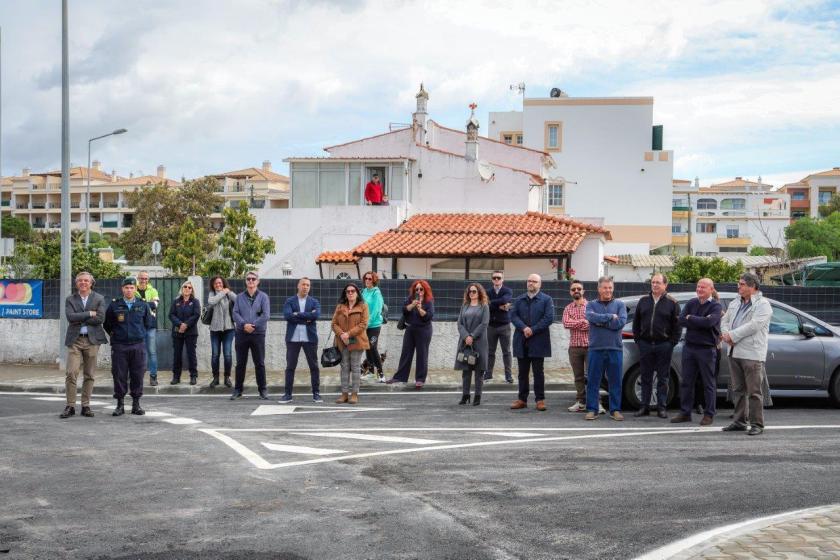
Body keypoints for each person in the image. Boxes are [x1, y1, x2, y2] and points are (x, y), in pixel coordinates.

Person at [721, 273, 773, 436]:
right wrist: (726, 334)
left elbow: (754, 325)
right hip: (734, 350)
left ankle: (757, 424)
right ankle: (739, 421)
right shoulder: (735, 302)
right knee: (738, 390)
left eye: (742, 284)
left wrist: (732, 336)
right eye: (739, 283)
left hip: (752, 353)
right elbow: (724, 321)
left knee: (754, 391)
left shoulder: (763, 305)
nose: (739, 286)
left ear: (752, 287)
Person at [671, 278, 723, 425]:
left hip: (706, 350)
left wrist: (691, 318)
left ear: (711, 289)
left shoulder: (716, 306)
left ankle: (709, 414)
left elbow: (709, 323)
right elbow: (681, 320)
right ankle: (685, 413)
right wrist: (697, 320)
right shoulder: (691, 303)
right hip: (689, 348)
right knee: (687, 382)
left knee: (708, 383)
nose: (699, 289)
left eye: (703, 287)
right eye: (698, 287)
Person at [104, 277, 156, 416]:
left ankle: (136, 404)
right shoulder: (114, 305)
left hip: (137, 345)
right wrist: (116, 336)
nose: (129, 290)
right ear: (122, 289)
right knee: (119, 375)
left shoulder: (143, 305)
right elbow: (107, 324)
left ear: (135, 289)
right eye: (126, 287)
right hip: (120, 346)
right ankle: (120, 405)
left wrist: (138, 334)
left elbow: (148, 323)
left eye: (132, 288)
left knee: (137, 375)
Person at [632, 273, 680, 418]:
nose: (655, 285)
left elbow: (677, 326)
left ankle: (661, 408)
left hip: (663, 345)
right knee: (645, 377)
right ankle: (644, 407)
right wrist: (638, 340)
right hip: (645, 344)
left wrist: (671, 343)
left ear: (665, 285)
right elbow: (636, 323)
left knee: (663, 378)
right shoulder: (643, 301)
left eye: (658, 282)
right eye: (653, 282)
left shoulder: (672, 303)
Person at [61, 271, 108, 419]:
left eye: (86, 281)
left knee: (89, 374)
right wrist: (89, 313)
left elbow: (100, 319)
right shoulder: (70, 299)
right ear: (76, 284)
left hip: (92, 340)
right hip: (75, 340)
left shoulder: (99, 298)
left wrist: (80, 318)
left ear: (91, 283)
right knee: (71, 372)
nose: (83, 283)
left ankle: (85, 405)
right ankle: (70, 405)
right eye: (80, 281)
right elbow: (70, 317)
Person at [584, 276, 628, 421]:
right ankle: (592, 409)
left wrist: (601, 321)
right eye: (605, 287)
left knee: (615, 381)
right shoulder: (590, 305)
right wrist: (610, 317)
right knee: (593, 381)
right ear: (599, 289)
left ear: (613, 288)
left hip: (615, 348)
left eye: (610, 287)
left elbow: (620, 323)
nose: (608, 290)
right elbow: (591, 318)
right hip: (595, 348)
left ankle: (615, 410)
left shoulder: (620, 305)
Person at [510, 274, 555, 411]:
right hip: (521, 340)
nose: (531, 283)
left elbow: (549, 318)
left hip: (538, 341)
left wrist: (532, 330)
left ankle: (540, 400)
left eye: (534, 281)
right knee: (522, 373)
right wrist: (524, 328)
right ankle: (522, 399)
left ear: (539, 284)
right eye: (529, 280)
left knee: (538, 372)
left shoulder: (547, 300)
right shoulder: (519, 299)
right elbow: (513, 316)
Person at [387, 280, 435, 389]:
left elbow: (428, 316)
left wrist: (419, 308)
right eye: (416, 289)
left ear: (425, 290)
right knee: (406, 353)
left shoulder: (428, 301)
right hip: (410, 329)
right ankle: (400, 377)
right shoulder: (410, 299)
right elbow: (404, 310)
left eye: (421, 289)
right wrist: (412, 305)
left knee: (422, 354)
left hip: (424, 330)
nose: (418, 291)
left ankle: (420, 379)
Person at [230, 271, 271, 400]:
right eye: (248, 279)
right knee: (240, 363)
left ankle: (262, 390)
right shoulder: (239, 297)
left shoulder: (263, 297)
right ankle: (238, 390)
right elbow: (235, 313)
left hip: (258, 334)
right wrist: (244, 325)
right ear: (246, 281)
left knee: (259, 363)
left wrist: (252, 326)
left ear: (258, 281)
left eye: (253, 279)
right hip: (241, 333)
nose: (251, 281)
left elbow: (266, 315)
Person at [281, 277, 321, 403]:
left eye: (308, 285)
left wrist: (297, 314)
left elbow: (315, 315)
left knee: (314, 366)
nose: (305, 287)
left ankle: (316, 393)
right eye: (303, 284)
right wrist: (306, 318)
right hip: (293, 339)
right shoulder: (290, 301)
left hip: (310, 338)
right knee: (290, 367)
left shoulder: (314, 302)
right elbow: (287, 316)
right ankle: (288, 394)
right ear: (298, 286)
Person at [562, 280, 601, 413]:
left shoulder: (591, 306)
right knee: (578, 376)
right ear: (570, 292)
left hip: (590, 346)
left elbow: (593, 323)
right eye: (573, 289)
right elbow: (566, 323)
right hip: (574, 347)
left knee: (592, 376)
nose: (576, 291)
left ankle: (595, 402)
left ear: (583, 291)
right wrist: (583, 321)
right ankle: (581, 402)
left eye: (579, 288)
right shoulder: (568, 308)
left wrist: (579, 322)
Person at [331, 283, 370, 404]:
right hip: (342, 342)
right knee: (344, 367)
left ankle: (354, 394)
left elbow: (363, 324)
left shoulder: (363, 306)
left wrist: (349, 334)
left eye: (353, 291)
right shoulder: (340, 307)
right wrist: (342, 334)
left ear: (357, 293)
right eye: (348, 291)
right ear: (345, 294)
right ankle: (344, 394)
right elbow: (334, 324)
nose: (350, 293)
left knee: (355, 367)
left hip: (357, 341)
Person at [456, 283, 490, 406]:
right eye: (470, 291)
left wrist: (472, 336)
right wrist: (466, 336)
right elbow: (459, 323)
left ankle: (477, 396)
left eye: (474, 291)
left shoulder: (484, 307)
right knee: (466, 370)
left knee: (479, 371)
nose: (471, 293)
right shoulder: (464, 306)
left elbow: (484, 323)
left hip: (479, 342)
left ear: (479, 293)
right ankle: (465, 395)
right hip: (465, 342)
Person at [168, 280, 201, 385]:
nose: (187, 289)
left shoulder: (195, 302)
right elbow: (171, 315)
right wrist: (180, 324)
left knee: (191, 355)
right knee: (177, 355)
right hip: (178, 332)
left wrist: (185, 325)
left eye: (189, 287)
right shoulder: (176, 301)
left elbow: (196, 315)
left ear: (192, 290)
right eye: (185, 287)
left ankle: (193, 376)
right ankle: (176, 377)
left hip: (190, 332)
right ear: (182, 289)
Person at [207, 276, 237, 388]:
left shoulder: (229, 293)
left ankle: (227, 377)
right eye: (216, 283)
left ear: (223, 283)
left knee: (227, 354)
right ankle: (215, 378)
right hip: (215, 329)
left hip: (229, 329)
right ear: (213, 285)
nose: (218, 285)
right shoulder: (212, 294)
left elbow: (238, 300)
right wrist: (223, 292)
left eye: (220, 283)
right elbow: (212, 301)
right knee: (215, 355)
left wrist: (227, 292)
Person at [485, 271, 513, 383]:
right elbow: (485, 304)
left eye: (499, 278)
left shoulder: (508, 291)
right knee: (490, 352)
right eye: (494, 278)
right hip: (491, 326)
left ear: (502, 279)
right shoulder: (487, 292)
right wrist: (500, 306)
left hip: (504, 325)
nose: (496, 279)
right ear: (492, 279)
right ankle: (488, 375)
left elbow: (504, 300)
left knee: (506, 352)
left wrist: (492, 303)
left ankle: (508, 376)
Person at [136, 271, 160, 386]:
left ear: (148, 279)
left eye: (145, 278)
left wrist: (140, 304)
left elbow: (155, 305)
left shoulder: (153, 290)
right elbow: (132, 304)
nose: (143, 280)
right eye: (141, 278)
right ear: (138, 278)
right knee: (138, 352)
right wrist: (146, 304)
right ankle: (137, 376)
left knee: (152, 352)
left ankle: (153, 376)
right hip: (137, 326)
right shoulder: (133, 290)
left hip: (150, 325)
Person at [361, 271, 385, 382]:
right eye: (366, 278)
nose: (367, 280)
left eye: (370, 279)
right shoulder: (364, 292)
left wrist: (367, 323)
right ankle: (371, 372)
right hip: (365, 325)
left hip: (374, 325)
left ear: (374, 280)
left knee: (373, 347)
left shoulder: (376, 293)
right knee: (367, 347)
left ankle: (381, 374)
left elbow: (376, 311)